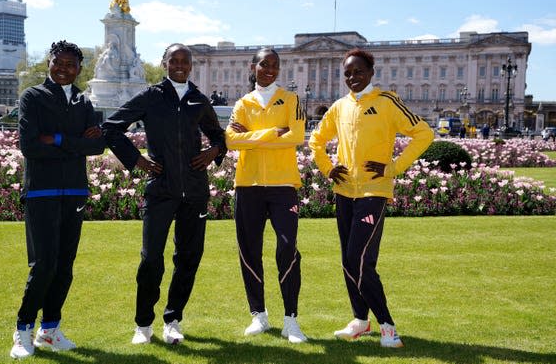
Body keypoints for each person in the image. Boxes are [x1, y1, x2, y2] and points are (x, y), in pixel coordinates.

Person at [102, 43, 226, 345]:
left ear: (192, 65)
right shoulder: (151, 97)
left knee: (188, 258)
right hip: (161, 190)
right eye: (174, 61)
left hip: (195, 191)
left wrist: (213, 151)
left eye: (185, 61)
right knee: (151, 259)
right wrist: (139, 161)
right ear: (164, 63)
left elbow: (219, 136)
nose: (180, 65)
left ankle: (173, 319)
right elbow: (111, 128)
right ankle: (143, 324)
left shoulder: (199, 99)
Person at [309, 48, 433, 348]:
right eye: (348, 73)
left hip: (373, 193)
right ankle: (360, 320)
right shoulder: (339, 107)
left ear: (371, 73)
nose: (353, 77)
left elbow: (424, 133)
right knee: (348, 260)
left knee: (359, 259)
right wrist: (327, 167)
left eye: (358, 71)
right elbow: (316, 140)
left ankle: (387, 326)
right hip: (344, 192)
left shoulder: (387, 102)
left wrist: (393, 167)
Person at [10, 40, 106, 359]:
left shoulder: (84, 101)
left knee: (64, 267)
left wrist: (60, 139)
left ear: (80, 69)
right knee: (44, 265)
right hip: (41, 191)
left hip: (75, 191)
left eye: (70, 65)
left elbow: (97, 147)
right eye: (58, 62)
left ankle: (48, 330)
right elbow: (30, 146)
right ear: (48, 63)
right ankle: (22, 330)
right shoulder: (33, 97)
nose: (63, 69)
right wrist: (78, 142)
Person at [225, 48, 308, 343]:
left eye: (274, 65)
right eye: (264, 64)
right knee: (249, 250)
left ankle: (291, 319)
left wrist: (252, 138)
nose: (269, 69)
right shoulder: (242, 103)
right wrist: (273, 133)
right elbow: (231, 141)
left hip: (284, 185)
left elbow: (297, 137)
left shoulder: (292, 99)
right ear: (254, 66)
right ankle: (258, 315)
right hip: (248, 185)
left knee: (288, 248)